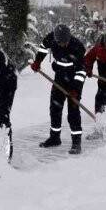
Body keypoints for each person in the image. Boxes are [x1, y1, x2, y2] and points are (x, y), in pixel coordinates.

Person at [30, 24, 87, 154]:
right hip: (60, 77)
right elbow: (43, 47)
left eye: (65, 42)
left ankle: (76, 142)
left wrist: (75, 89)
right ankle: (55, 138)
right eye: (60, 42)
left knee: (73, 111)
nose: (63, 45)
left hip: (74, 78)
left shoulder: (77, 47)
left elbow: (81, 72)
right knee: (55, 108)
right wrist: (38, 61)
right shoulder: (51, 38)